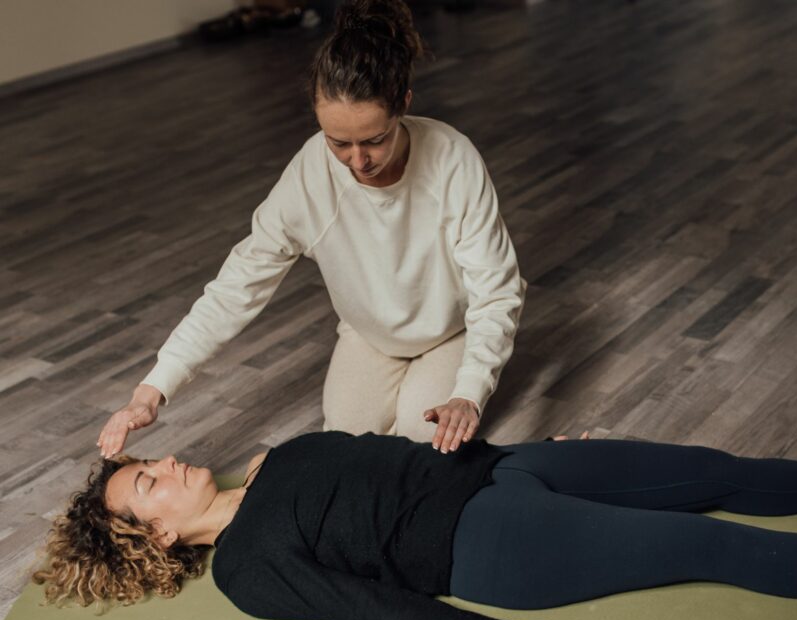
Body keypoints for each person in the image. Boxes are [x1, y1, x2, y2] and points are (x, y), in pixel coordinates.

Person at [36, 394, 797, 620]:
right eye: (144, 486)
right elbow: (383, 610)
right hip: (492, 548)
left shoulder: (280, 456)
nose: (165, 465)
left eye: (148, 461)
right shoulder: (250, 570)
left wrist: (510, 440)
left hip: (502, 469)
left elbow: (404, 459)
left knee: (703, 470)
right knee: (706, 541)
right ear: (153, 541)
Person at [96, 0, 527, 459]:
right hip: (369, 335)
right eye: (339, 142)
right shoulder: (309, 175)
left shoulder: (453, 158)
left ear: (403, 102)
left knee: (421, 445)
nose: (357, 162)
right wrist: (153, 388)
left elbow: (496, 291)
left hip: (451, 332)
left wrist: (470, 389)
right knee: (342, 445)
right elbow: (237, 286)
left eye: (374, 140)